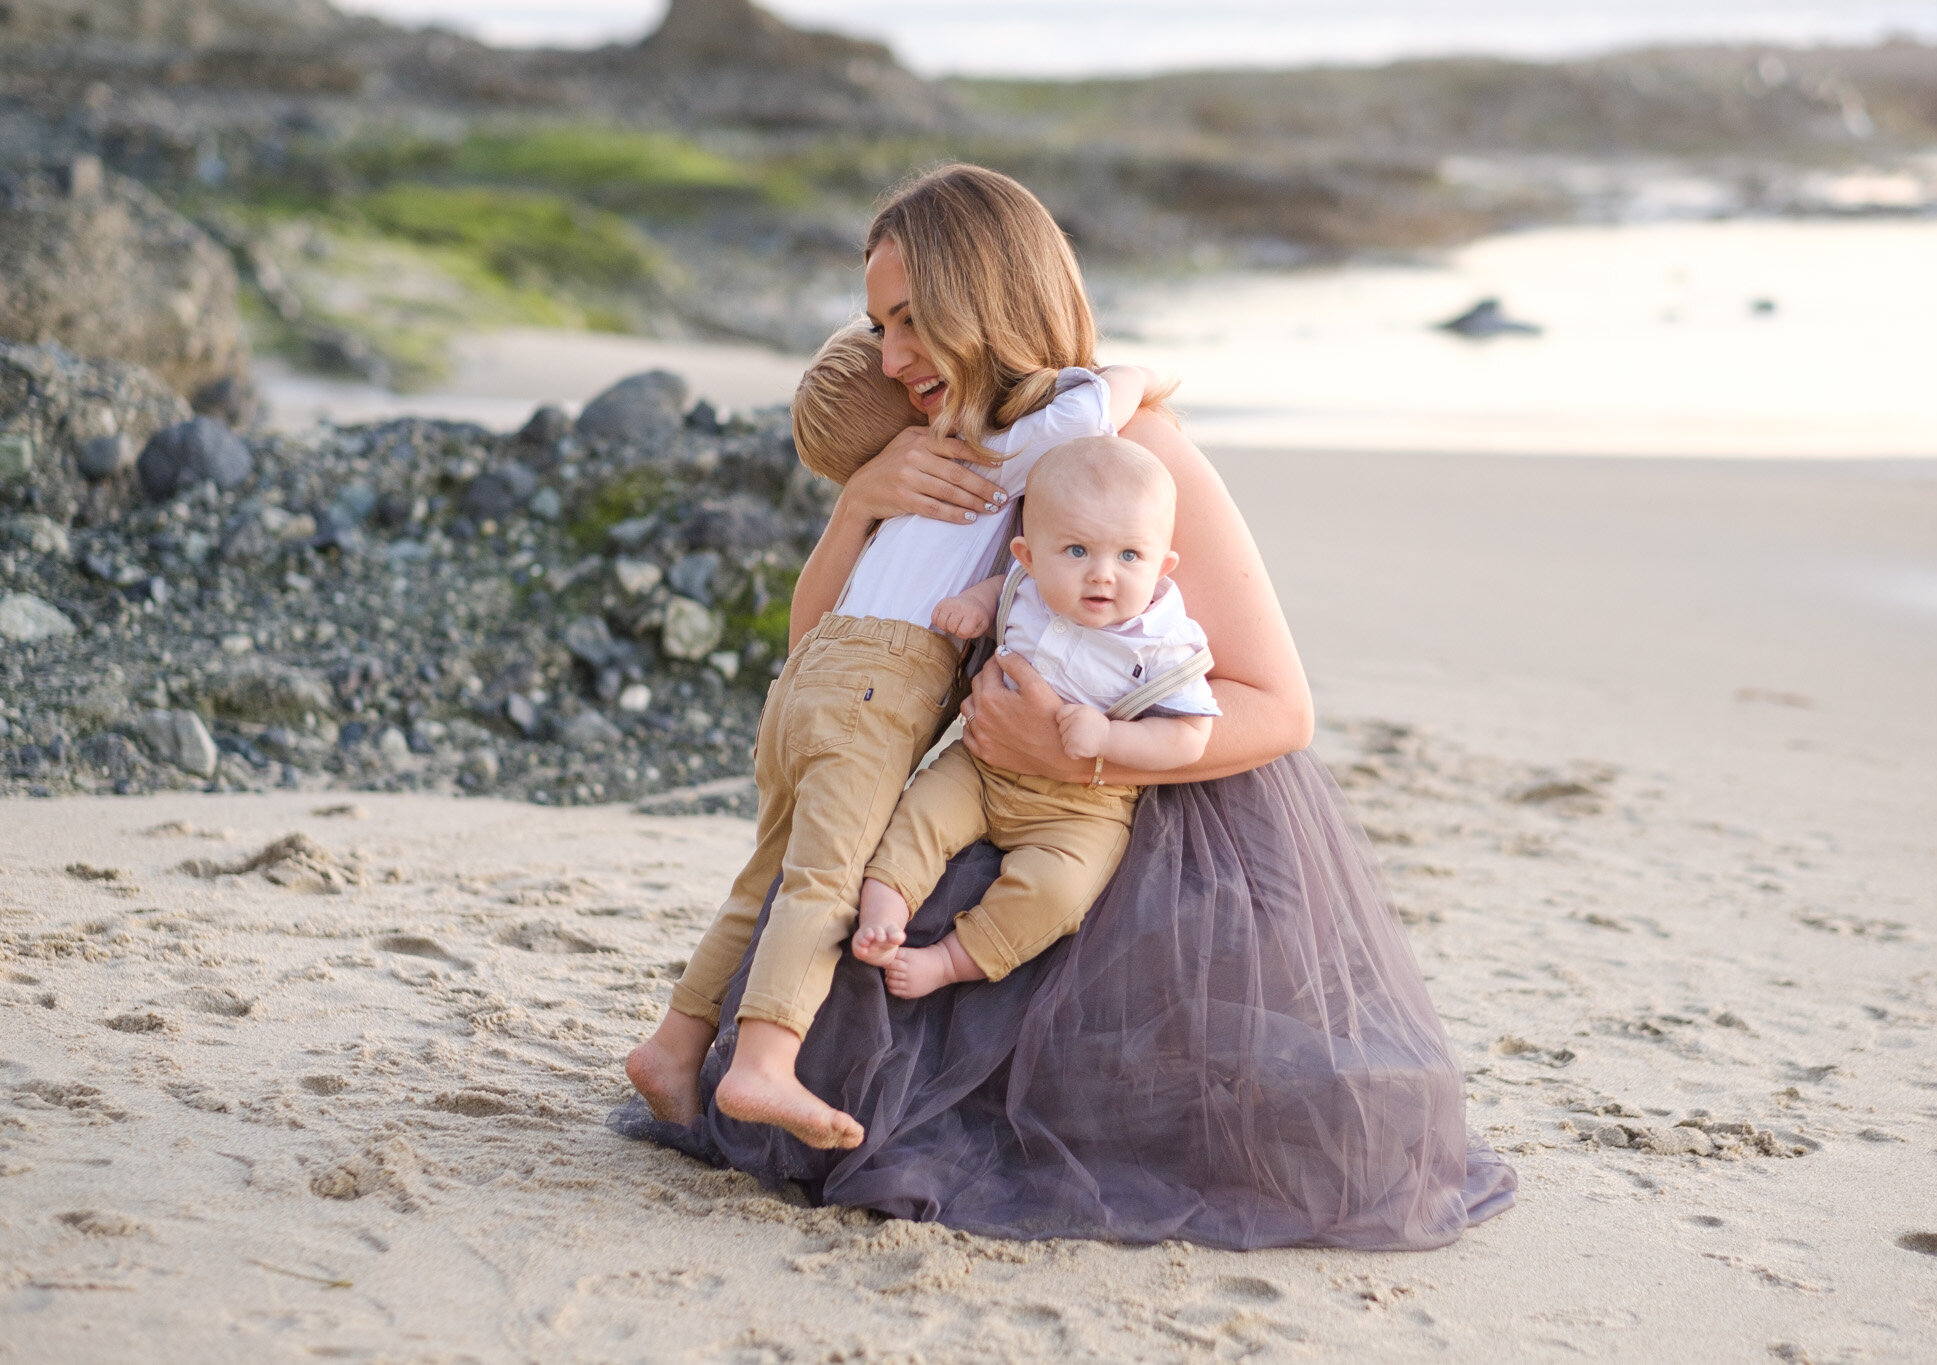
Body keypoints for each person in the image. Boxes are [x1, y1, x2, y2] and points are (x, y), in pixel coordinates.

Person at [614, 163, 1517, 1251]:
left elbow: (1279, 706)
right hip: (990, 783)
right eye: (874, 327)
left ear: (984, 304)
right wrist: (856, 504)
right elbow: (818, 646)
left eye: (910, 324)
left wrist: (1085, 752)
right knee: (850, 989)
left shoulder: (1134, 454)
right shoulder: (947, 449)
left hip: (1153, 805)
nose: (890, 360)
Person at [625, 319, 1163, 1149]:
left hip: (808, 682)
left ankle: (675, 1042)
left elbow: (811, 626)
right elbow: (1097, 403)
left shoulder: (895, 509)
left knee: (763, 875)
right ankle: (763, 1062)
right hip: (876, 690)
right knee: (826, 881)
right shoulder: (987, 448)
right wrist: (1145, 377)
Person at [853, 435, 1218, 999]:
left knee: (1060, 890)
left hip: (1081, 807)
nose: (1102, 575)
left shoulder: (1162, 644)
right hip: (980, 766)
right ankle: (884, 906)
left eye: (1129, 556)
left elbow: (1190, 738)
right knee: (919, 812)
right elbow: (1002, 590)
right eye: (1076, 551)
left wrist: (1111, 737)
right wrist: (976, 606)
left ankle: (951, 961)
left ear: (1161, 564)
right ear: (1027, 555)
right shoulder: (1026, 587)